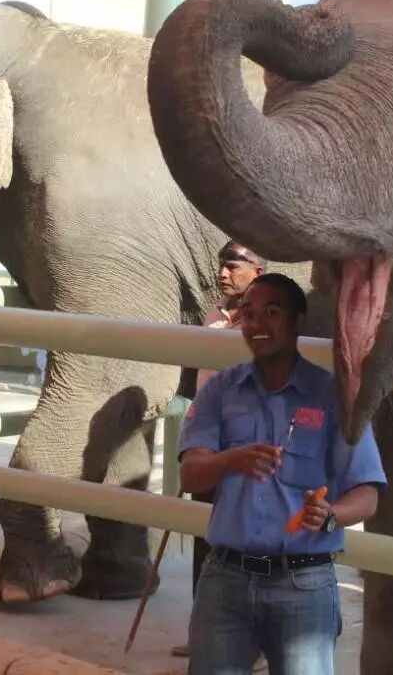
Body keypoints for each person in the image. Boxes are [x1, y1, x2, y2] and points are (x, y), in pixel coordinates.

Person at [178, 273, 386, 674]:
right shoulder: (220, 390)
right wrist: (229, 460)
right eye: (249, 314)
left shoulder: (333, 397)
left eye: (271, 313)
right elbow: (190, 475)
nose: (257, 324)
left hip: (303, 584)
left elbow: (368, 494)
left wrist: (331, 516)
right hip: (224, 582)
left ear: (298, 322)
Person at [173, 241, 266, 660]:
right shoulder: (213, 317)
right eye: (221, 267)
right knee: (205, 539)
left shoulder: (265, 323)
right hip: (206, 445)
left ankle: (253, 643)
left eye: (233, 266)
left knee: (244, 544)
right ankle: (204, 636)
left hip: (244, 448)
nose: (223, 274)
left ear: (258, 271)